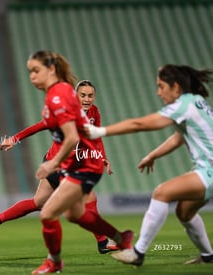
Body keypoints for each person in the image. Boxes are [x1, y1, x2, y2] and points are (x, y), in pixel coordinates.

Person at [17, 50, 133, 274]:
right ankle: (122, 238)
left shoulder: (58, 95)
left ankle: (55, 262)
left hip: (84, 166)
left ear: (51, 70)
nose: (31, 76)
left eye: (36, 70)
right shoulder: (58, 92)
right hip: (76, 164)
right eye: (29, 71)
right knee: (74, 215)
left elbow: (72, 137)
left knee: (48, 214)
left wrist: (52, 163)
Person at [85, 64, 213, 265]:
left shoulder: (182, 105)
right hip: (207, 170)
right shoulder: (195, 101)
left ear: (176, 87)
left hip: (210, 171)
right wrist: (152, 155)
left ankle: (138, 252)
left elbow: (139, 124)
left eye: (161, 86)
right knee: (184, 212)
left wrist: (100, 132)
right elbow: (179, 138)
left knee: (162, 193)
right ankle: (208, 257)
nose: (158, 92)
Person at [0, 80, 119, 254]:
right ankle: (102, 242)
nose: (87, 99)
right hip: (57, 165)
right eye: (83, 95)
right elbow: (40, 125)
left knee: (39, 202)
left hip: (60, 164)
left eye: (90, 95)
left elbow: (96, 137)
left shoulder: (94, 112)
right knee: (89, 198)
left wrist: (102, 157)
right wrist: (14, 139)